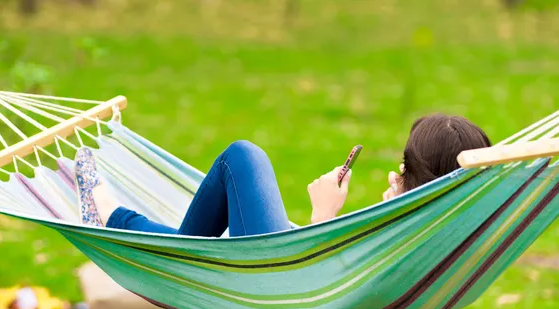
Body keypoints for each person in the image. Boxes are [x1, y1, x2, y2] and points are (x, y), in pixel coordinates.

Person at [74, 114, 491, 237]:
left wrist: (323, 213)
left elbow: (319, 281)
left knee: (243, 156)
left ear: (429, 176)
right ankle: (119, 218)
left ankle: (112, 216)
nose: (398, 171)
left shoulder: (407, 231)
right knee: (239, 165)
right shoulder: (442, 229)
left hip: (281, 277)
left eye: (408, 164)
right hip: (289, 280)